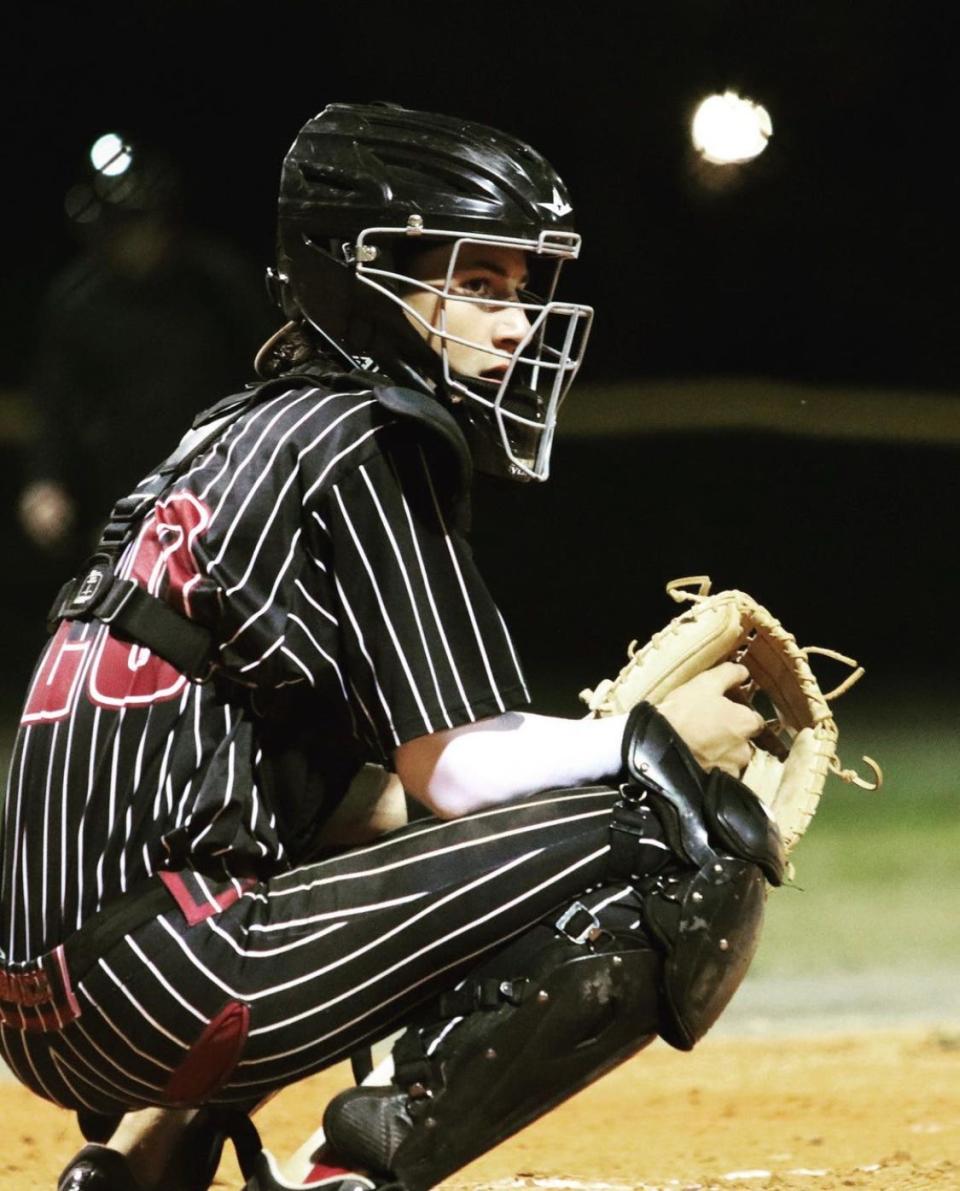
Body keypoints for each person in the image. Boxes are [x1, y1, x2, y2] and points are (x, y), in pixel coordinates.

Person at [0, 103, 782, 1191]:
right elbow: (457, 769)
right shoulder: (362, 433)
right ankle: (349, 1180)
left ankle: (143, 1163)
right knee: (682, 839)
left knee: (357, 800)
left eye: (522, 292)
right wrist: (642, 740)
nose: (517, 326)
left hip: (48, 999)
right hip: (168, 983)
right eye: (481, 287)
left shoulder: (238, 428)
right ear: (363, 279)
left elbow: (366, 793)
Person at [17, 132, 272, 562]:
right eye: (115, 229)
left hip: (222, 492)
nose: (131, 241)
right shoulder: (76, 301)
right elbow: (54, 400)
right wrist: (45, 482)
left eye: (139, 225)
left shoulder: (220, 282)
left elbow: (269, 377)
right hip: (120, 503)